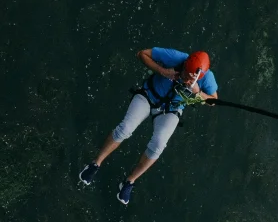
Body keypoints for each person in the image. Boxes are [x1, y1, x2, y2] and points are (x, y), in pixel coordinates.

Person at [79, 47, 218, 205]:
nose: (186, 79)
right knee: (125, 128)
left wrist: (198, 92)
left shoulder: (207, 78)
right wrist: (163, 71)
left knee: (159, 145)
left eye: (191, 79)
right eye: (186, 74)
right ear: (185, 64)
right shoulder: (175, 57)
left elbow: (213, 100)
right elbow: (142, 53)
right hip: (148, 95)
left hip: (171, 109)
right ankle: (95, 163)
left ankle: (129, 182)